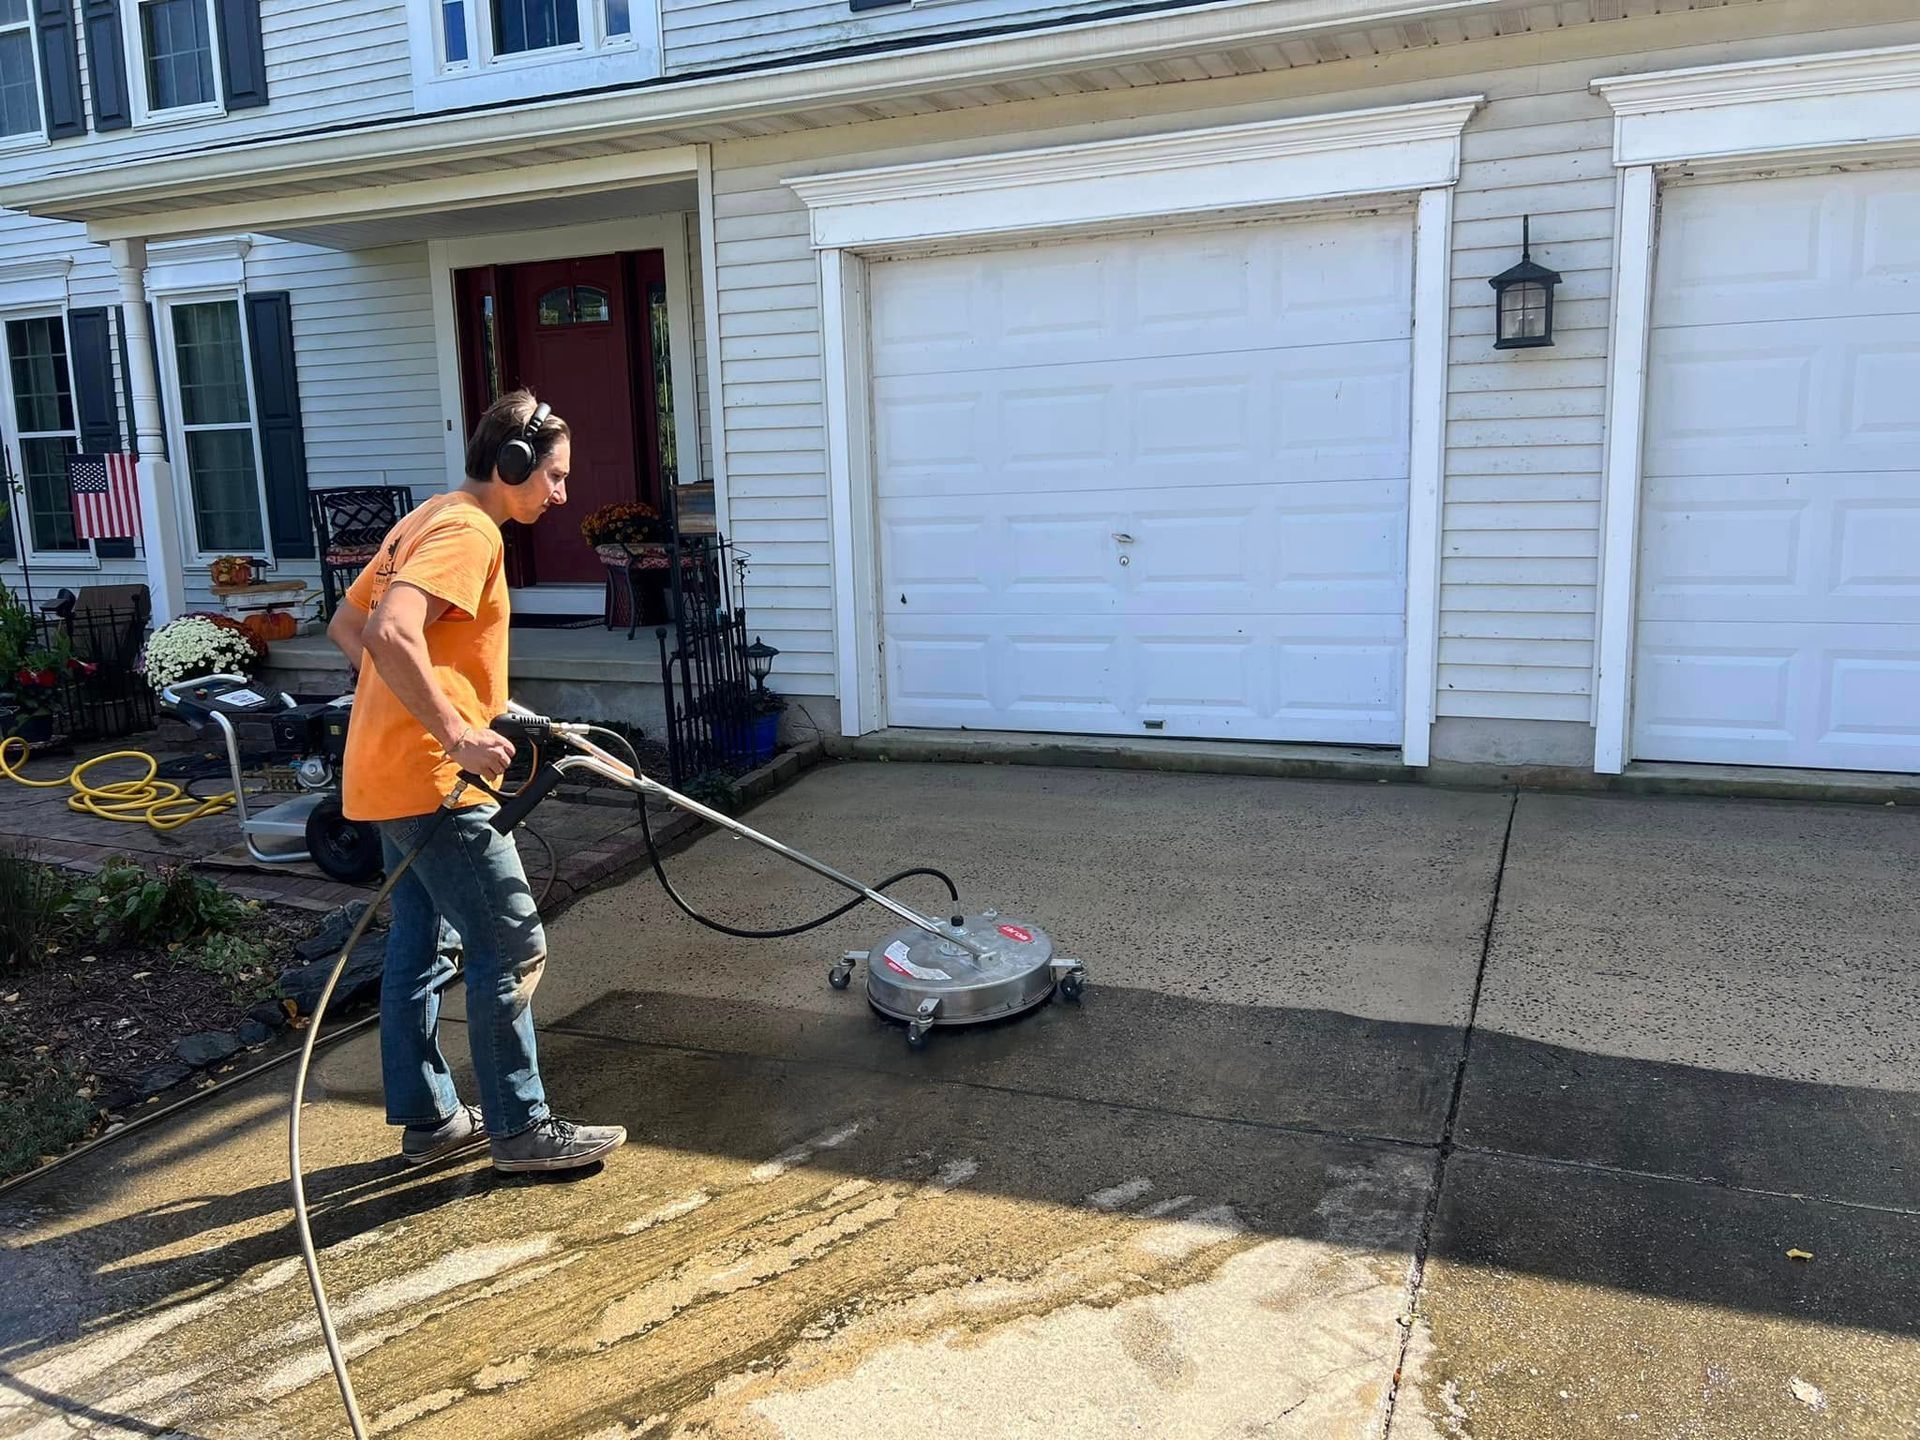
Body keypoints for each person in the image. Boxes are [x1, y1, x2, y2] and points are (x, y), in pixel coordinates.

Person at [327, 389, 626, 1174]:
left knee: (422, 947)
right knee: (511, 943)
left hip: (388, 775)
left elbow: (349, 627)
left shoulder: (425, 516)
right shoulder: (468, 531)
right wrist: (454, 730)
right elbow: (388, 633)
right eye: (553, 477)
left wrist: (448, 703)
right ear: (512, 463)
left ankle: (432, 1121)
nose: (562, 494)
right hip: (432, 781)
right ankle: (522, 1130)